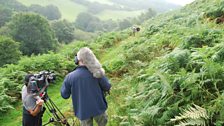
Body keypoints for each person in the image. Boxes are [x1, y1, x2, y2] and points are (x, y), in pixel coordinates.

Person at [61, 47, 111, 126]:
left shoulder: (70, 77)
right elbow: (107, 86)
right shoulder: (96, 72)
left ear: (78, 60)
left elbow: (64, 95)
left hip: (83, 112)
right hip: (99, 108)